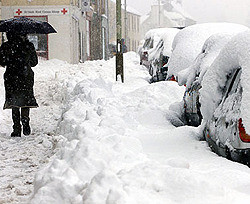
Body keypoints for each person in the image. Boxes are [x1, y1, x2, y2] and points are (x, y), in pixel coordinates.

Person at [0, 32, 38, 137]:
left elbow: (2, 62)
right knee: (25, 99)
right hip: (26, 76)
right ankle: (25, 118)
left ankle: (16, 128)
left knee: (14, 102)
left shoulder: (6, 46)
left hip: (11, 76)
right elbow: (34, 62)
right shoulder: (28, 45)